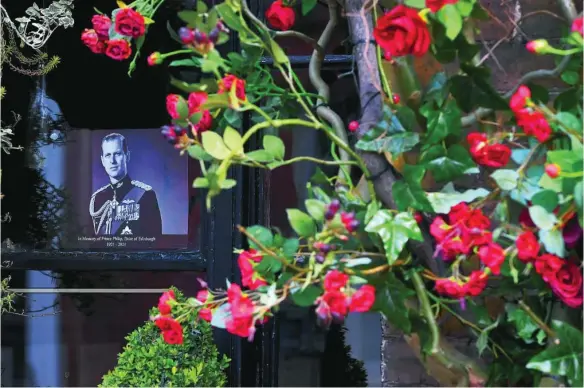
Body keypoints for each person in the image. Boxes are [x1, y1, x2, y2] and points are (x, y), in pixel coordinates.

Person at [89, 133, 162, 236]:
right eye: (108, 155)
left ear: (127, 156)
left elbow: (155, 241)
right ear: (102, 160)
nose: (112, 161)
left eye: (117, 154)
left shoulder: (145, 195)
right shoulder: (97, 198)